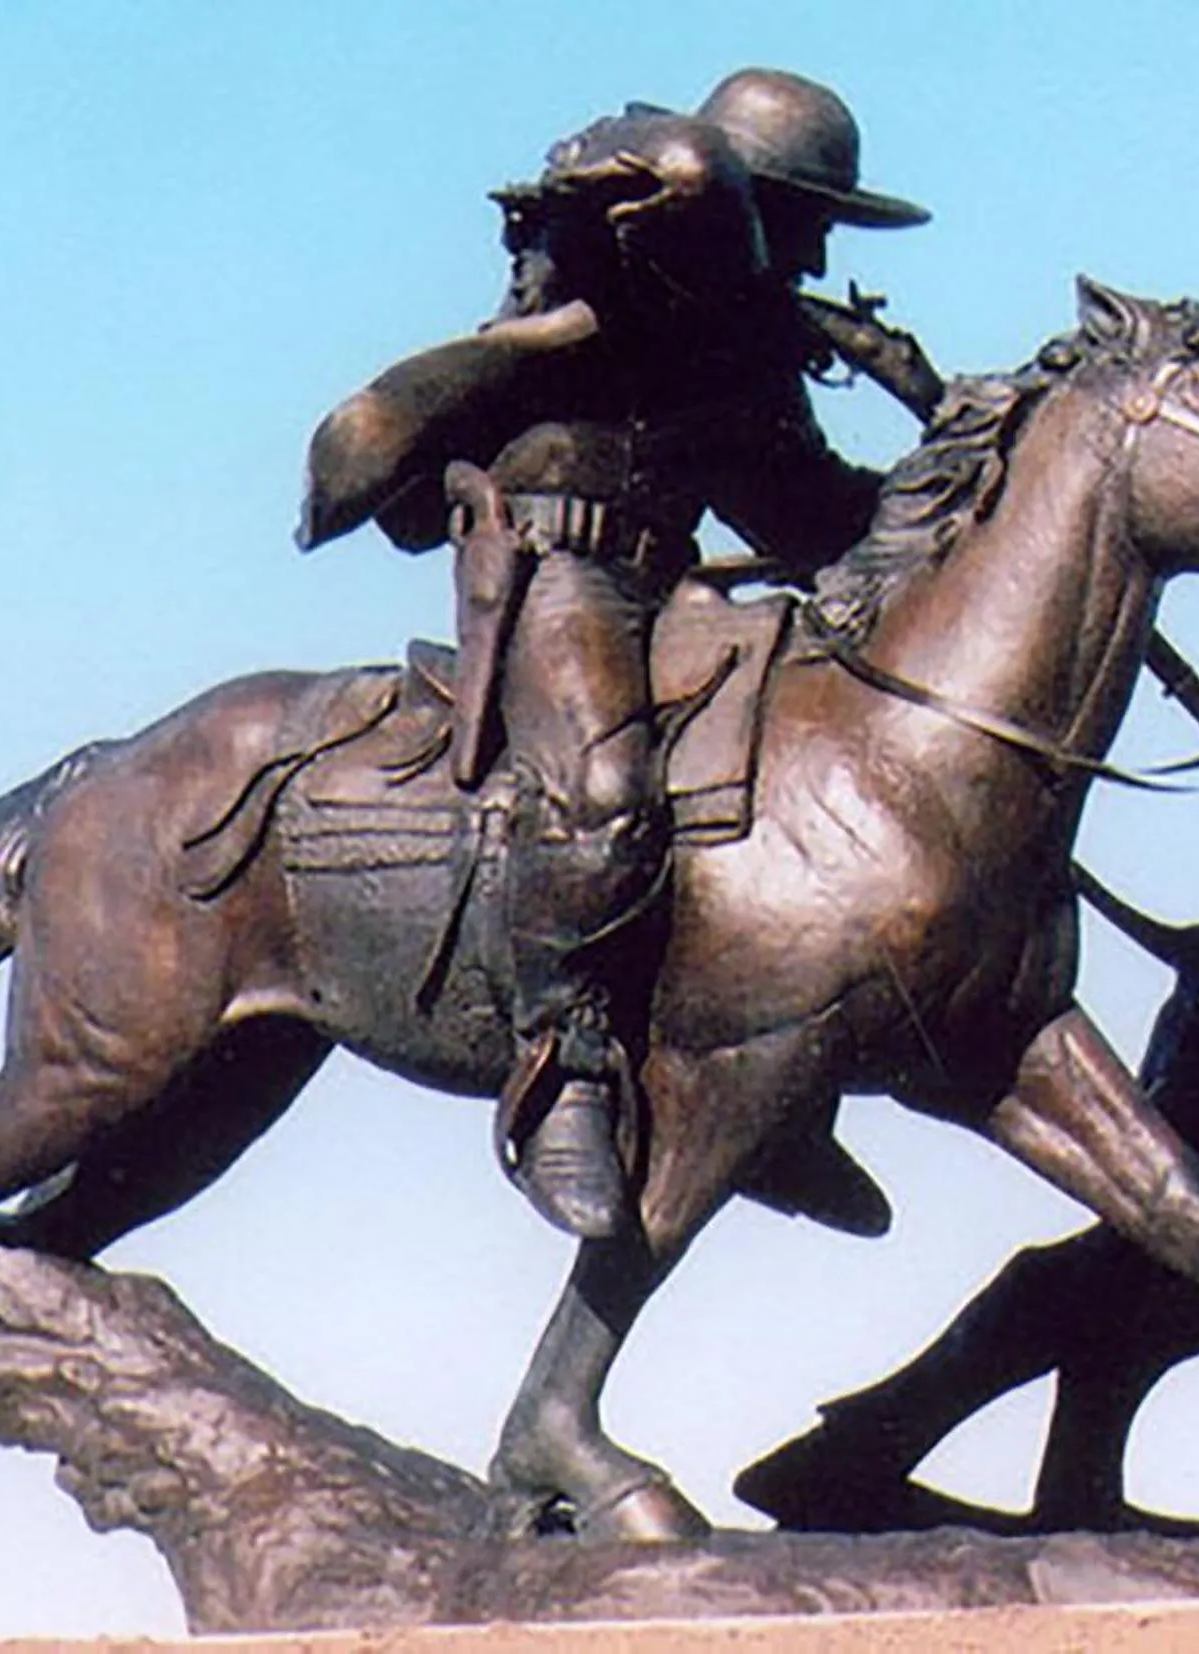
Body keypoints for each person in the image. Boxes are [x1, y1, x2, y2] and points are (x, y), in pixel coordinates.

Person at [295, 68, 935, 1239]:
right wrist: (715, 209)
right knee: (604, 790)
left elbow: (803, 512)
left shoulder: (745, 355)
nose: (809, 256)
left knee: (804, 758)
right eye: (797, 220)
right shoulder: (617, 264)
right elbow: (672, 168)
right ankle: (562, 1072)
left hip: (670, 585)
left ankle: (768, 1091)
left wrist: (965, 487)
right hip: (557, 572)